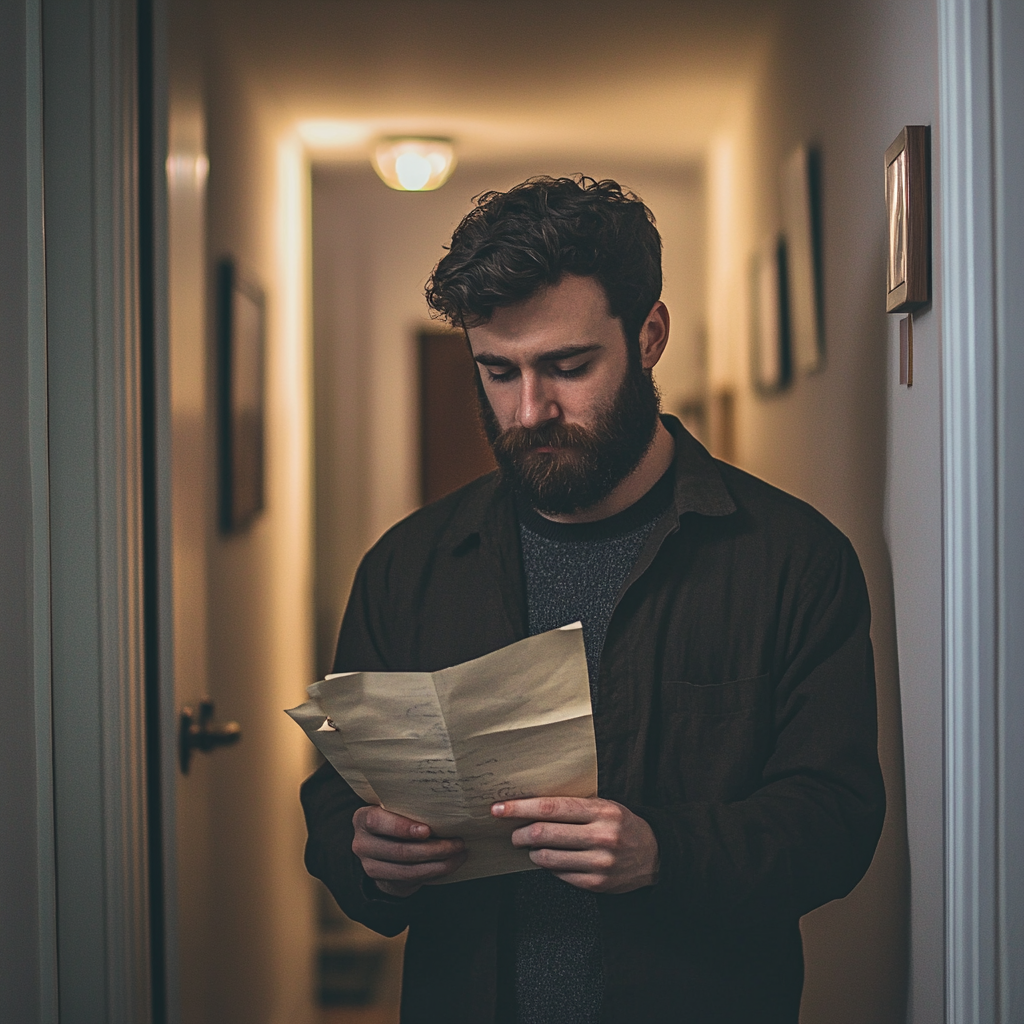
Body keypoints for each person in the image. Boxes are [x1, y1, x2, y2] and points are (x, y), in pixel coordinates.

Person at [300, 176, 885, 1024]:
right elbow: (334, 794)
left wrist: (664, 851)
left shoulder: (792, 560)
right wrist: (365, 851)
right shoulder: (408, 567)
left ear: (649, 336)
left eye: (567, 367)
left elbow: (835, 823)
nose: (528, 409)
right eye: (497, 372)